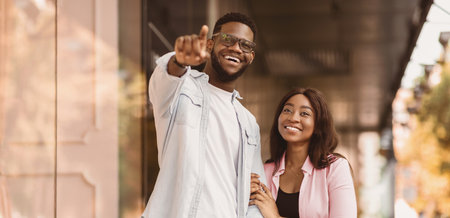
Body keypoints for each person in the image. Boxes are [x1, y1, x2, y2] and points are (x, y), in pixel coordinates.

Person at [141, 12, 266, 218]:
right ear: (210, 45)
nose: (236, 48)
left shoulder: (248, 123)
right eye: (228, 39)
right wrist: (179, 61)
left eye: (245, 45)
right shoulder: (182, 90)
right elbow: (165, 78)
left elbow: (255, 195)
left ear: (251, 57)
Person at [249, 88, 357, 218]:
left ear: (318, 125)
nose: (293, 118)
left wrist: (275, 216)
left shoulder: (335, 169)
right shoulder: (264, 172)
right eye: (287, 110)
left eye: (304, 113)